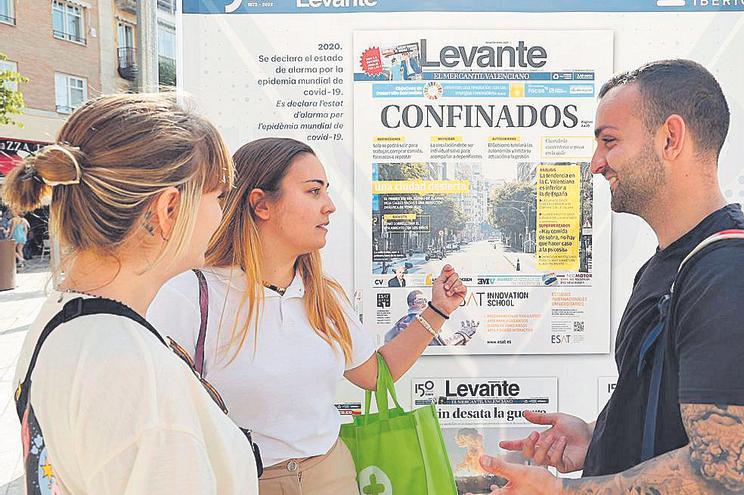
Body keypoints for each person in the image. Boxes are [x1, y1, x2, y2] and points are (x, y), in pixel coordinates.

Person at [473, 59, 744, 494]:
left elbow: (729, 477)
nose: (596, 163)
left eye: (610, 141)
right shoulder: (674, 264)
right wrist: (597, 436)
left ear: (670, 138)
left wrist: (562, 492)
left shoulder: (740, 274)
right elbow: (676, 415)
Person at [147, 137, 467, 495]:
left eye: (326, 192)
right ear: (261, 204)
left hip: (331, 477)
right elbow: (155, 422)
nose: (329, 206)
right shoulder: (190, 295)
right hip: (240, 483)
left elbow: (377, 375)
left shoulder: (324, 296)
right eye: (313, 191)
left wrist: (437, 311)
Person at [3, 94, 259, 494]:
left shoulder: (62, 319)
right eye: (218, 197)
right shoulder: (129, 364)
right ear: (169, 210)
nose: (222, 214)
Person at [385, 289, 476, 346]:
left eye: (425, 300)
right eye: (420, 301)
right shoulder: (422, 323)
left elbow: (387, 337)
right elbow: (442, 347)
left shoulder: (402, 321)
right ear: (410, 304)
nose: (424, 303)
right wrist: (463, 335)